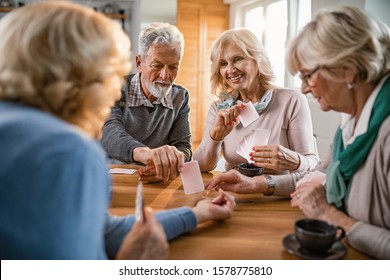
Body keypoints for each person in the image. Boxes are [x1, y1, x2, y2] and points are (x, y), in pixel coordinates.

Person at [0, 1, 235, 260]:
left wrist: (196, 214)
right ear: (78, 73)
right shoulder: (68, 151)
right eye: (110, 73)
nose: (114, 88)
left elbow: (99, 230)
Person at [285, 6, 390, 259]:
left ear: (347, 68)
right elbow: (318, 173)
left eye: (308, 75)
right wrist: (260, 183)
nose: (304, 89)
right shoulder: (351, 122)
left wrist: (329, 215)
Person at [195, 28, 319, 197]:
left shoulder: (291, 99)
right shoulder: (220, 109)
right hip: (234, 198)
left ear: (257, 59)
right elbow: (202, 166)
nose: (230, 70)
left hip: (280, 198)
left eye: (237, 59)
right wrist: (216, 136)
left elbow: (312, 165)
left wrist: (294, 160)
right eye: (223, 63)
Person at [101, 22, 191, 182]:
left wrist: (169, 162)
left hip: (157, 178)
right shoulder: (115, 87)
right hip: (113, 176)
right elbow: (110, 132)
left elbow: (183, 147)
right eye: (157, 66)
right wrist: (147, 154)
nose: (165, 75)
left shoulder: (180, 97)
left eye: (173, 67)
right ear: (139, 63)